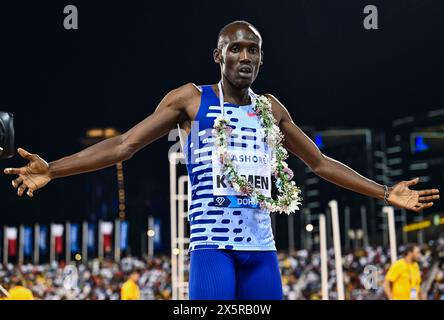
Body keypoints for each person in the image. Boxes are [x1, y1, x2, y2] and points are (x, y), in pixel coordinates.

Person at [3, 20, 440, 300]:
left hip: (262, 252)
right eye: (236, 48)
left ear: (262, 57)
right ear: (219, 55)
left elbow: (321, 164)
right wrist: (54, 169)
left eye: (253, 49)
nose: (245, 56)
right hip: (214, 250)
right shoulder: (192, 100)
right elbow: (124, 146)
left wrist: (385, 192)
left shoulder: (271, 108)